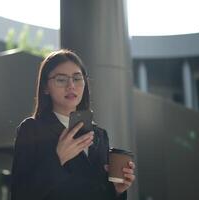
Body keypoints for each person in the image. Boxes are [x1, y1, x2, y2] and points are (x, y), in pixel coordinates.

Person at [11, 49, 135, 200]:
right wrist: (58, 158)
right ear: (45, 87)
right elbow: (20, 194)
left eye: (77, 78)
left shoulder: (100, 135)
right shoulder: (32, 129)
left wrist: (117, 191)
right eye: (61, 79)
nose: (71, 85)